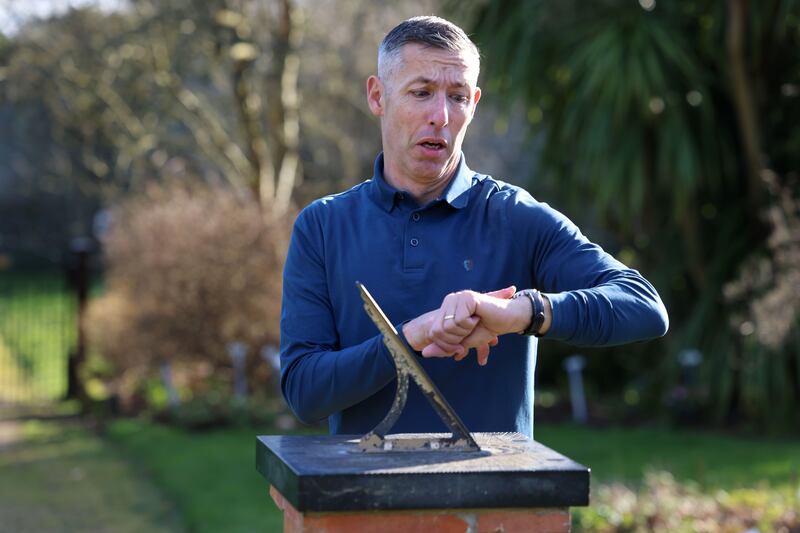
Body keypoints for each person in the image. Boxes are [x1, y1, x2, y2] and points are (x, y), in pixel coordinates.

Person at [279, 16, 668, 438]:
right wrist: (411, 337)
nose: (441, 116)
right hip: (360, 498)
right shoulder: (322, 226)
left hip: (499, 501)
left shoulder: (516, 216)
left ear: (475, 103)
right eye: (422, 92)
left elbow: (643, 307)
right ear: (378, 96)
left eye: (458, 96)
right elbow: (304, 391)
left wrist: (522, 312)